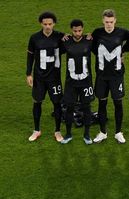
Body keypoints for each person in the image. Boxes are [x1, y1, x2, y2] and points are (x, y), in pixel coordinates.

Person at [91, 9, 129, 144]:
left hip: (116, 76)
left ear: (115, 20)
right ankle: (103, 132)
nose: (109, 24)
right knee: (102, 103)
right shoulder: (97, 33)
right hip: (102, 76)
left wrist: (123, 51)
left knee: (118, 103)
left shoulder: (123, 32)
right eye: (106, 22)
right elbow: (91, 46)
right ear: (103, 21)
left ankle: (118, 132)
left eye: (111, 21)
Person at [26, 11, 64, 142]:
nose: (48, 26)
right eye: (45, 24)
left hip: (54, 78)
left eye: (50, 24)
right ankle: (36, 130)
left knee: (57, 103)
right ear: (41, 24)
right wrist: (28, 73)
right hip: (39, 78)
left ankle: (57, 131)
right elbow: (30, 56)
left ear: (54, 24)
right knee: (37, 102)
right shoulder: (34, 38)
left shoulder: (60, 37)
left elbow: (75, 42)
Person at [60, 19, 95, 145]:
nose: (77, 33)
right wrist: (61, 36)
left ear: (83, 29)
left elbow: (103, 40)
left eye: (80, 30)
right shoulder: (66, 41)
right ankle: (68, 134)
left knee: (87, 108)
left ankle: (87, 134)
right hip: (71, 83)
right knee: (69, 108)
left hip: (86, 82)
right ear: (71, 30)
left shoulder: (89, 40)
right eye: (75, 31)